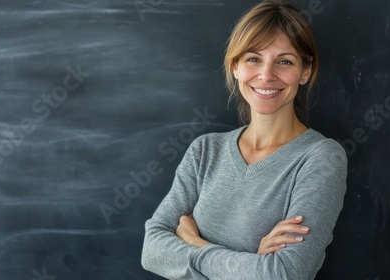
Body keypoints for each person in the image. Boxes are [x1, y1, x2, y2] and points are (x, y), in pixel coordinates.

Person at [141, 0, 348, 279]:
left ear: (305, 71)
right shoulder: (204, 150)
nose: (266, 75)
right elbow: (152, 250)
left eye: (284, 61)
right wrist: (252, 264)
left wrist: (194, 243)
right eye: (253, 58)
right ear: (236, 66)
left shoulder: (320, 158)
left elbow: (284, 274)